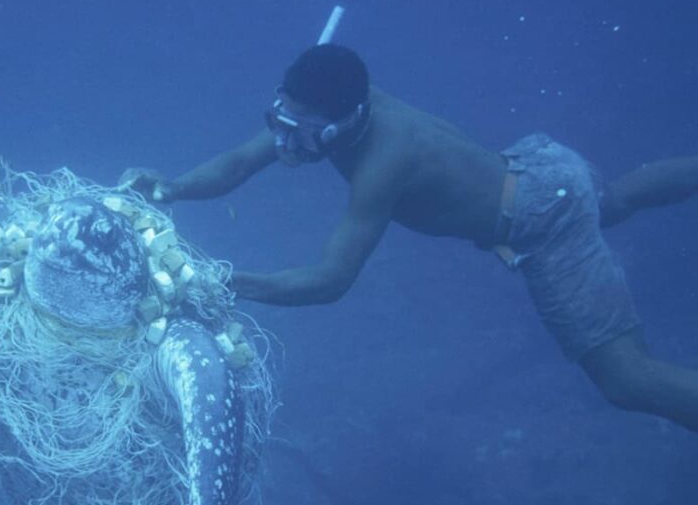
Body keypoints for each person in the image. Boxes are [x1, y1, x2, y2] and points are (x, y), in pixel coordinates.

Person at [121, 44, 698, 430]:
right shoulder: (335, 106)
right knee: (614, 201)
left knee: (625, 380)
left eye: (305, 136)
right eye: (281, 124)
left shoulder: (383, 163)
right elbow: (241, 163)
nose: (288, 145)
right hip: (543, 172)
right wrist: (171, 189)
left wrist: (219, 282)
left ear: (345, 124)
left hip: (542, 221)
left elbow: (330, 281)